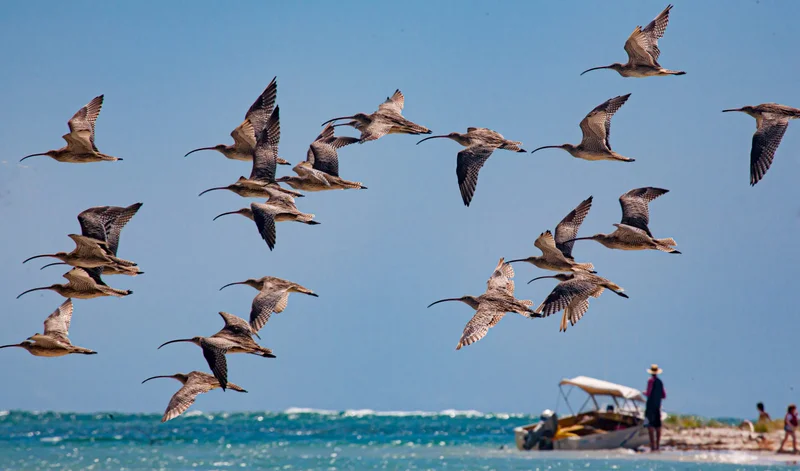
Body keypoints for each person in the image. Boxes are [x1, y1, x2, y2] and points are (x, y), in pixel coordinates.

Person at [644, 364, 666, 452]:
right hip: (657, 407)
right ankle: (657, 446)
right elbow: (663, 395)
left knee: (650, 426)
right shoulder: (660, 382)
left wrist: (644, 393)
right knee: (658, 427)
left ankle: (652, 446)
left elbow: (648, 393)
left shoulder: (650, 381)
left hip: (650, 407)